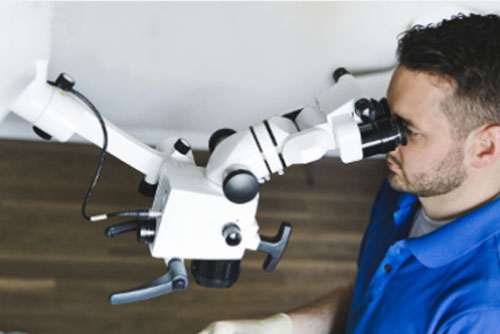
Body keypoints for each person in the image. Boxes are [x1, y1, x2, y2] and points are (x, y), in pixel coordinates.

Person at [198, 13, 500, 334]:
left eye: (406, 130)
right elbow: (372, 299)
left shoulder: (482, 313)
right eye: (387, 117)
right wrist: (280, 327)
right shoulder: (406, 189)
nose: (386, 144)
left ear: (485, 147)